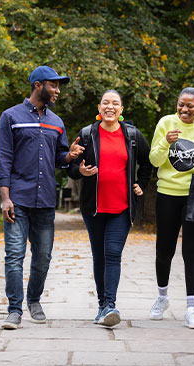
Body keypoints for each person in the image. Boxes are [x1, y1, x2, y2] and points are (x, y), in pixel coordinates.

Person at [0, 66, 84, 330]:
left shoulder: (57, 123)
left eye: (58, 87)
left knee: (43, 257)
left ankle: (34, 299)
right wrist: (5, 198)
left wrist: (70, 156)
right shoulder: (10, 117)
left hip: (45, 202)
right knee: (14, 256)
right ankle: (14, 310)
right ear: (38, 85)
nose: (57, 91)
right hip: (17, 200)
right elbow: (3, 158)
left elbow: (60, 159)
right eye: (54, 86)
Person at [68, 90, 152, 327]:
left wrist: (141, 184)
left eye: (115, 103)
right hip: (93, 207)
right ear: (99, 107)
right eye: (106, 102)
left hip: (122, 207)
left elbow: (147, 164)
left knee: (113, 253)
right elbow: (71, 166)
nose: (110, 107)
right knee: (99, 256)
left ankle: (110, 305)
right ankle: (102, 306)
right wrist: (80, 171)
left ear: (121, 110)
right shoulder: (87, 134)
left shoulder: (133, 135)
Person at [149, 87, 194, 329]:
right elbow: (154, 160)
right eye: (181, 104)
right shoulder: (166, 122)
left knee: (192, 251)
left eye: (190, 106)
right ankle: (162, 297)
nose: (184, 109)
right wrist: (166, 144)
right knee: (164, 249)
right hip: (167, 193)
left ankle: (192, 308)